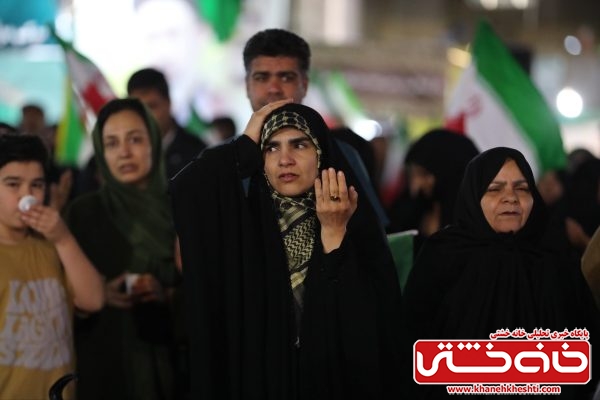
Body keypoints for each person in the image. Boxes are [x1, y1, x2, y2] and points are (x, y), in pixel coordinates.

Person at [170, 101, 402, 399]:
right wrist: (242, 146)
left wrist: (334, 235)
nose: (285, 160)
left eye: (299, 145)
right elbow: (186, 189)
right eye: (271, 148)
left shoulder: (356, 226)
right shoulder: (246, 225)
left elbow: (371, 330)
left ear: (321, 154)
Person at [401, 147, 599, 399]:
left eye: (522, 188)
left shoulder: (554, 260)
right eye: (495, 189)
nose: (511, 198)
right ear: (474, 196)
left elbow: (586, 351)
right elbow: (411, 345)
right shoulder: (443, 257)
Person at [64, 98, 180, 400]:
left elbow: (211, 291)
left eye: (135, 139)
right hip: (103, 363)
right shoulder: (82, 213)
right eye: (112, 143)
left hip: (178, 362)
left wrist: (167, 295)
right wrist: (96, 293)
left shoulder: (183, 208)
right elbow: (58, 293)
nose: (124, 152)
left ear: (154, 141)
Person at [0, 134, 104, 400]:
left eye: (36, 185)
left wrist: (63, 238)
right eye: (13, 184)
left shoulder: (53, 245)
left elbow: (93, 300)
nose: (27, 196)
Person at [127, 67, 207, 178]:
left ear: (168, 103)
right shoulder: (124, 153)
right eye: (138, 109)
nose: (144, 116)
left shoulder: (197, 153)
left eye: (151, 106)